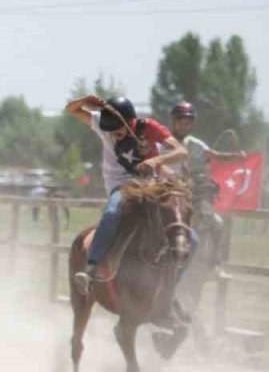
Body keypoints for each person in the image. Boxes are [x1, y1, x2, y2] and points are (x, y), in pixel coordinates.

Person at [64, 95, 187, 298]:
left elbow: (182, 152)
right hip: (121, 185)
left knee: (184, 228)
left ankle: (171, 284)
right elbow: (72, 109)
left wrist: (157, 160)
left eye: (119, 132)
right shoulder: (104, 122)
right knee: (112, 211)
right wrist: (88, 100)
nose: (114, 136)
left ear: (129, 122)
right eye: (110, 133)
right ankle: (91, 268)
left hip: (152, 185)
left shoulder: (149, 127)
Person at [169, 100, 244, 259]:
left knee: (216, 223)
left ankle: (214, 259)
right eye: (180, 121)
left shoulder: (196, 144)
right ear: (174, 122)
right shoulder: (162, 142)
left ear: (192, 124)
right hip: (167, 192)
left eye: (187, 122)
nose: (183, 126)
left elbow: (216, 155)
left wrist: (236, 157)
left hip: (191, 194)